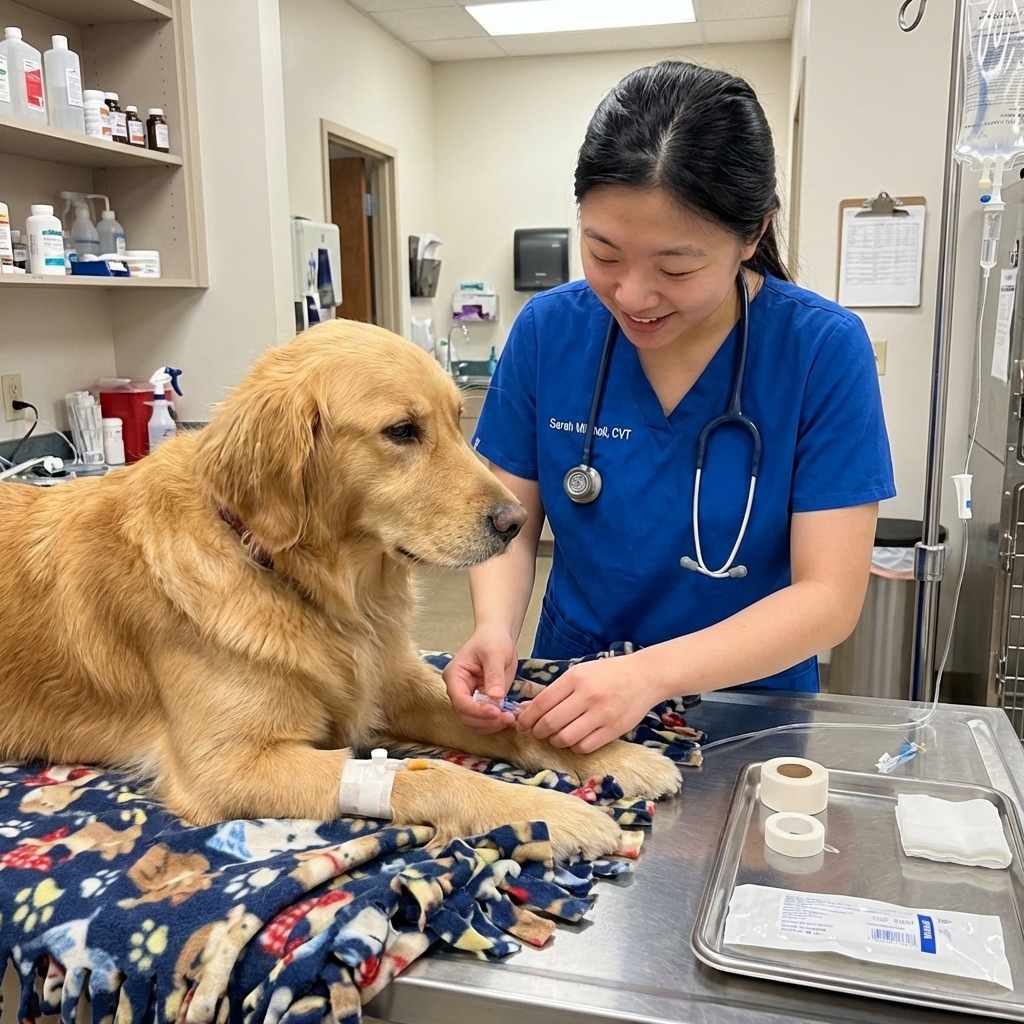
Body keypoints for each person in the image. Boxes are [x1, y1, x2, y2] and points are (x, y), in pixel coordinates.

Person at [442, 61, 895, 756]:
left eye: (676, 269)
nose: (631, 295)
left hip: (744, 709)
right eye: (603, 253)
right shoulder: (549, 332)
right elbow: (509, 517)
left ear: (752, 235)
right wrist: (495, 626)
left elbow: (829, 597)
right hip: (570, 696)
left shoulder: (820, 350)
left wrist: (649, 676)